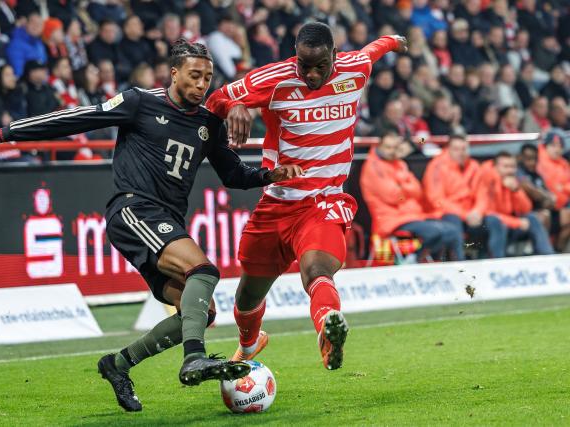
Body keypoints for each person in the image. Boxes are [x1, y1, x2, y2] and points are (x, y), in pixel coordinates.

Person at [0, 40, 302, 412]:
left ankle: (117, 365)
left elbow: (232, 174)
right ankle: (194, 359)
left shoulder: (208, 123)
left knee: (200, 311)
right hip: (133, 210)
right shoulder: (139, 102)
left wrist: (270, 175)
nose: (202, 85)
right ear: (173, 73)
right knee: (202, 270)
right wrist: (4, 134)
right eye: (194, 75)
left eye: (208, 78)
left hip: (164, 220)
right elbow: (76, 118)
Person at [205, 22, 407, 371]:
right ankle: (249, 343)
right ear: (294, 56)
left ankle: (328, 330)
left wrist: (394, 40)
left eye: (320, 66)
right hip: (278, 203)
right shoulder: (274, 78)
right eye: (304, 65)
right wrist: (233, 107)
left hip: (324, 200)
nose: (311, 74)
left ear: (334, 55)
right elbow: (216, 98)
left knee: (316, 269)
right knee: (248, 295)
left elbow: (374, 49)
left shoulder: (354, 68)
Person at [362, 132, 464, 260]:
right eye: (388, 147)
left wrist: (401, 187)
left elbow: (417, 190)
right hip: (391, 220)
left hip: (413, 216)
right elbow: (392, 196)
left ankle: (459, 270)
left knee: (452, 232)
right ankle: (414, 259)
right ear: (379, 146)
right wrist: (405, 185)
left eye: (395, 148)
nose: (392, 151)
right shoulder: (373, 167)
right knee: (434, 232)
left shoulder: (400, 164)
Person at [477, 152, 555, 257]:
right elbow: (487, 213)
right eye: (505, 166)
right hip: (486, 225)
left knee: (532, 218)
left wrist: (516, 190)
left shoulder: (512, 181)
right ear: (495, 167)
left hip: (508, 223)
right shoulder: (487, 180)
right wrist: (516, 222)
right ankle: (497, 263)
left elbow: (526, 209)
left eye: (513, 167)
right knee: (496, 223)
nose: (510, 170)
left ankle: (547, 256)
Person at [423, 134, 487, 255]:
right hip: (443, 213)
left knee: (493, 222)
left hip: (471, 213)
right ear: (448, 149)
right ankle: (459, 265)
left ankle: (492, 264)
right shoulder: (436, 166)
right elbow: (436, 199)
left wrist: (478, 211)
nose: (461, 153)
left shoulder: (474, 166)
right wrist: (465, 214)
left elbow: (483, 194)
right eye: (456, 149)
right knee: (453, 221)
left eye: (464, 149)